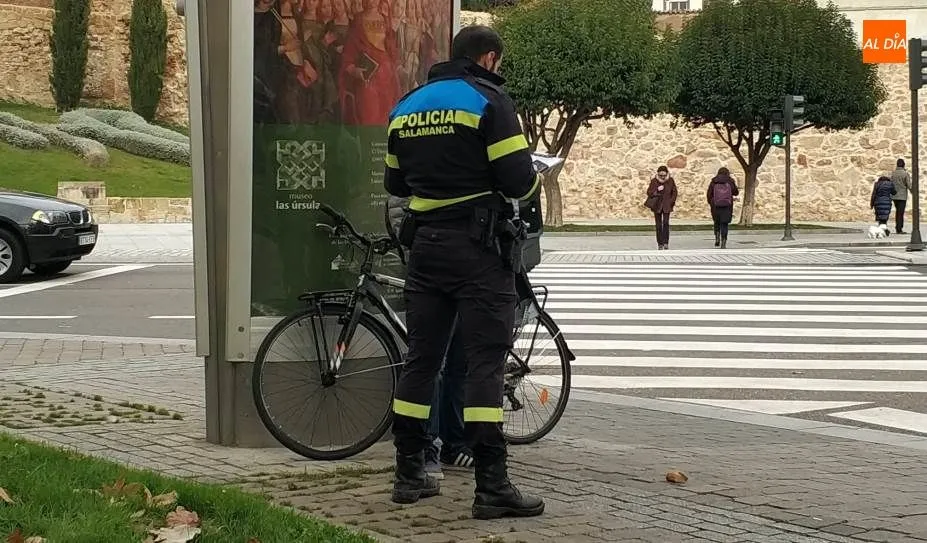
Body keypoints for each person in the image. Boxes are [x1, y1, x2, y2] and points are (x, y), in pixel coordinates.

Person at [382, 24, 544, 519]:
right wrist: (535, 180)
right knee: (484, 365)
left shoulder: (406, 106)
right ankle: (491, 486)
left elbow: (395, 182)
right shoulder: (490, 100)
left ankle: (409, 473)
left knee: (421, 360)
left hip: (425, 247)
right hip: (479, 249)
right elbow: (518, 182)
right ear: (489, 58)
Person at [645, 166, 677, 250]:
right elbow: (649, 192)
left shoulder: (670, 181)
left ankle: (666, 242)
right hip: (657, 205)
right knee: (658, 225)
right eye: (661, 175)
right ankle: (660, 243)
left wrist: (671, 202)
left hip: (667, 205)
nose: (662, 177)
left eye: (664, 175)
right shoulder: (654, 181)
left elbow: (674, 192)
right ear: (658, 174)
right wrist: (657, 190)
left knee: (666, 223)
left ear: (667, 174)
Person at [706, 167, 739, 249]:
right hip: (727, 206)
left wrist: (711, 203)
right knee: (724, 224)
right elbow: (736, 192)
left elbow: (709, 194)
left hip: (715, 205)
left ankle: (717, 237)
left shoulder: (714, 181)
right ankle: (723, 242)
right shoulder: (730, 181)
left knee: (716, 222)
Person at [891, 158, 912, 234]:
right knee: (900, 212)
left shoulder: (893, 173)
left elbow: (891, 183)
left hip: (894, 196)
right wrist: (913, 192)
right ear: (903, 165)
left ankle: (898, 227)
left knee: (898, 212)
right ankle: (899, 228)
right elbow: (909, 185)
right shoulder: (905, 174)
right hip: (902, 196)